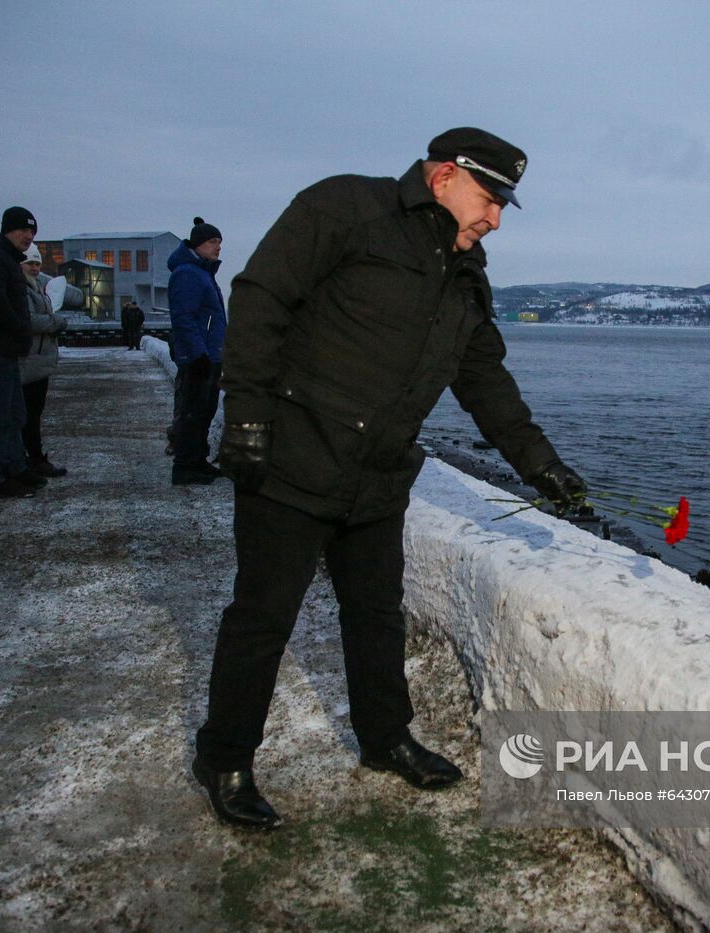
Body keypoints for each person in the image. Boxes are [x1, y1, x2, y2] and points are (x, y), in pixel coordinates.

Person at [193, 128, 588, 829]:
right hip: (292, 458)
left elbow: (485, 381)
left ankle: (385, 737)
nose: (496, 216)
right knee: (261, 620)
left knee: (376, 616)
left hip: (376, 478)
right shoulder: (346, 208)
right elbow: (260, 298)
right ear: (443, 177)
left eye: (503, 205)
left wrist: (541, 463)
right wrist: (246, 418)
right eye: (489, 198)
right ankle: (224, 756)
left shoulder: (465, 277)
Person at [0, 206, 46, 499]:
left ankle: (17, 468)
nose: (29, 236)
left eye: (32, 232)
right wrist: (21, 328)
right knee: (0, 417)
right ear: (8, 229)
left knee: (16, 413)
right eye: (24, 230)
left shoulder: (7, 259)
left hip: (6, 351)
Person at [167, 218, 226, 485]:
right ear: (198, 244)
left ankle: (197, 460)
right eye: (213, 242)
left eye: (219, 242)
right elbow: (183, 318)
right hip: (198, 358)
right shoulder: (188, 273)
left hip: (209, 354)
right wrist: (199, 354)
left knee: (204, 411)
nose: (218, 247)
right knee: (193, 412)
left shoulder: (201, 272)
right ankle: (185, 466)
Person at [19, 244, 68, 477]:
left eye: (37, 263)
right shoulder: (23, 289)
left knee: (33, 413)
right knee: (28, 414)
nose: (35, 267)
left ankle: (31, 457)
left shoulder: (36, 287)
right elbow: (28, 321)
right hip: (29, 361)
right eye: (30, 263)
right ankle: (32, 459)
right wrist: (56, 322)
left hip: (38, 362)